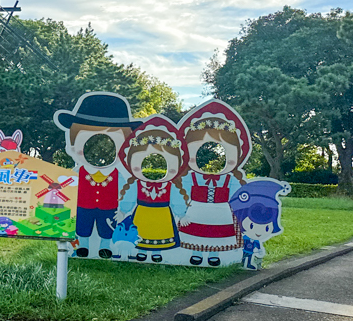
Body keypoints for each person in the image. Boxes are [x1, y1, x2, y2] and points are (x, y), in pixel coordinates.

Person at [53, 92, 141, 259]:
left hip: (109, 207)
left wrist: (124, 209)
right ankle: (83, 246)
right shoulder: (79, 172)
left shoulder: (119, 173)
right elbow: (67, 187)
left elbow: (129, 188)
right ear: (73, 144)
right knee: (83, 225)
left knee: (106, 227)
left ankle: (104, 247)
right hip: (83, 205)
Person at [177, 100, 251, 265]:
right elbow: (181, 194)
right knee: (196, 232)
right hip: (196, 210)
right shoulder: (191, 177)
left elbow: (237, 195)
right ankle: (196, 252)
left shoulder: (230, 179)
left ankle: (214, 255)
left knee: (217, 234)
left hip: (220, 212)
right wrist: (182, 212)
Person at [116, 116, 190, 262]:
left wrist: (181, 214)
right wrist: (123, 210)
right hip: (142, 212)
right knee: (142, 231)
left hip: (163, 213)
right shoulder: (137, 184)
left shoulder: (170, 186)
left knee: (160, 233)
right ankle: (142, 251)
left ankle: (157, 253)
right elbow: (130, 197)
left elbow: (176, 200)